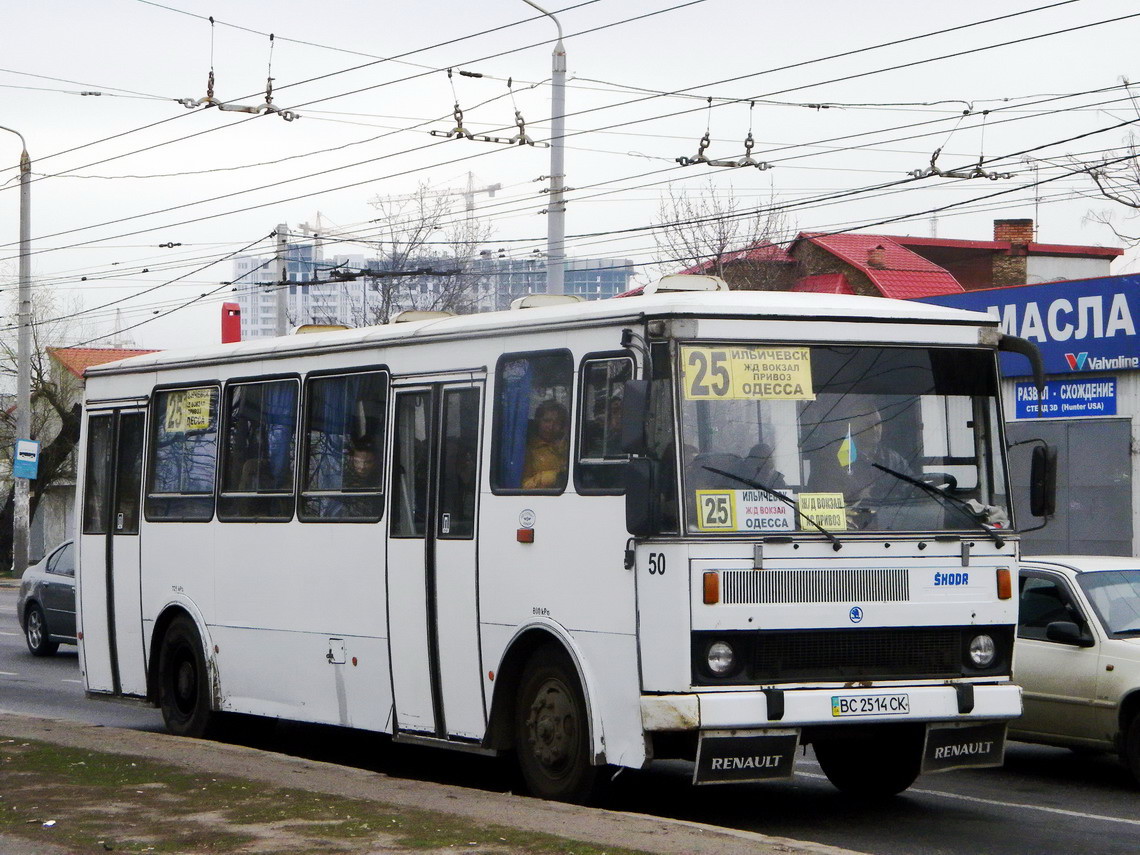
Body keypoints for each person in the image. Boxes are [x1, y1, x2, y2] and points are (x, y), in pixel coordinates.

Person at [522, 400, 569, 489]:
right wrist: (553, 477)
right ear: (538, 421)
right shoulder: (529, 450)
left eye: (557, 423)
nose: (551, 427)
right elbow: (524, 486)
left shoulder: (568, 446)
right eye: (547, 421)